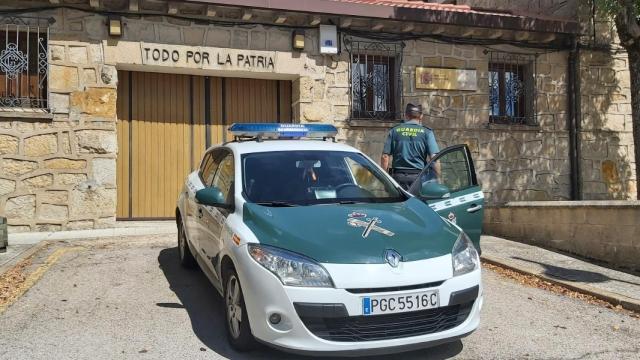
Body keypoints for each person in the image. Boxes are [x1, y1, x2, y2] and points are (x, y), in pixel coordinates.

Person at [381, 103, 440, 190]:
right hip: (419, 178)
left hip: (398, 178)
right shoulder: (427, 132)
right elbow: (434, 158)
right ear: (421, 116)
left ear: (406, 115)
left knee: (398, 203)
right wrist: (438, 178)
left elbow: (385, 157)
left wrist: (385, 178)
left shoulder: (395, 130)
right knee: (417, 203)